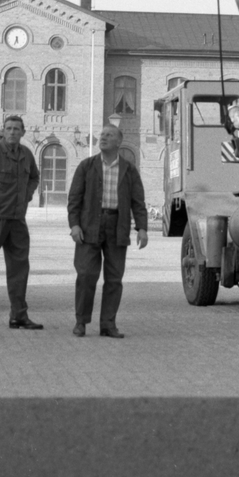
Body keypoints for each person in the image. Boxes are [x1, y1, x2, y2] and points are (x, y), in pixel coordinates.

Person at [67, 124, 148, 338]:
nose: (103, 137)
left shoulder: (129, 170)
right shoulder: (87, 166)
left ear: (119, 142)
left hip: (117, 227)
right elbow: (74, 199)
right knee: (85, 275)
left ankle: (108, 324)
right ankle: (81, 322)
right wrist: (74, 225)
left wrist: (142, 228)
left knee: (114, 279)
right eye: (102, 134)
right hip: (89, 226)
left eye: (109, 135)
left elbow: (138, 201)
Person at [0, 114, 42, 329]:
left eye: (17, 129)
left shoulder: (26, 154)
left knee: (19, 269)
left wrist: (27, 195)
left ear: (23, 132)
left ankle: (19, 316)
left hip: (17, 220)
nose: (13, 132)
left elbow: (34, 177)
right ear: (3, 131)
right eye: (9, 128)